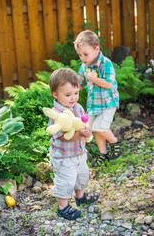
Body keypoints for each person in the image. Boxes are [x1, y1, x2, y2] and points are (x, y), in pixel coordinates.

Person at [47, 68, 100, 220]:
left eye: (76, 93)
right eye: (68, 95)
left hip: (79, 153)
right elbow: (62, 137)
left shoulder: (77, 107)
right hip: (64, 157)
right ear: (55, 94)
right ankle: (62, 207)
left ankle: (81, 197)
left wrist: (87, 130)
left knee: (81, 176)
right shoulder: (57, 114)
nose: (73, 98)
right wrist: (79, 135)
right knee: (66, 181)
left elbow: (82, 123)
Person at [74, 30, 121, 167]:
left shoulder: (106, 64)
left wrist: (93, 79)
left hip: (107, 103)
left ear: (96, 49)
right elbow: (81, 83)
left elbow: (108, 83)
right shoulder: (84, 66)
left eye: (85, 54)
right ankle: (103, 154)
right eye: (79, 55)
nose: (83, 58)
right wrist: (72, 89)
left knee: (100, 127)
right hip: (93, 105)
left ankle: (114, 143)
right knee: (94, 129)